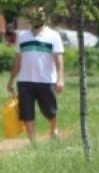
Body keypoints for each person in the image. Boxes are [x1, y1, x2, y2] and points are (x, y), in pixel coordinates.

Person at [6, 8, 65, 142]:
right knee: (27, 112)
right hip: (25, 81)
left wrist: (60, 79)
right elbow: (17, 60)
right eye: (33, 16)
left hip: (46, 80)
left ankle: (53, 130)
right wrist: (11, 80)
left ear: (44, 17)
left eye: (39, 15)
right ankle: (33, 142)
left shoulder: (53, 36)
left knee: (49, 110)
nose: (36, 18)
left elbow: (59, 59)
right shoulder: (22, 36)